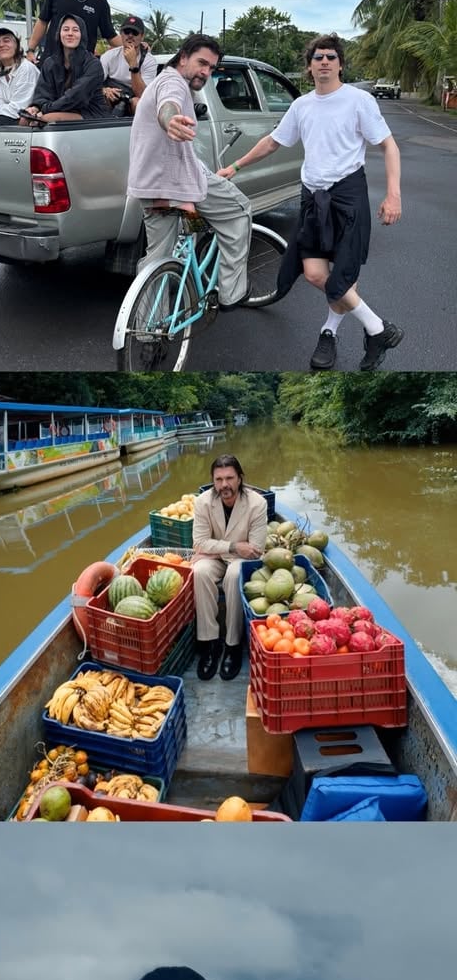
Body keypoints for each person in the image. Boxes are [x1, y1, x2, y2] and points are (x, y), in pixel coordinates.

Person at [216, 33, 402, 371]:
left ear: (341, 64)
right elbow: (273, 142)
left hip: (348, 197)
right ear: (309, 66)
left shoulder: (358, 101)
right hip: (313, 200)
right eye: (318, 57)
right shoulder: (301, 105)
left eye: (331, 56)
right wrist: (235, 166)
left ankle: (328, 333)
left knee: (343, 278)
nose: (325, 62)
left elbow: (389, 146)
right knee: (315, 273)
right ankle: (377, 328)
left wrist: (393, 194)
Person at [127, 34, 253, 310]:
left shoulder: (161, 80)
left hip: (150, 186)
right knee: (240, 210)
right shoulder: (174, 82)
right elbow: (168, 106)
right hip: (178, 183)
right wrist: (170, 120)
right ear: (183, 57)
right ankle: (232, 293)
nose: (206, 72)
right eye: (202, 63)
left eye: (211, 68)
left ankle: (148, 328)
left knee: (158, 256)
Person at [191, 455, 268, 681]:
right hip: (219, 557)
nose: (224, 484)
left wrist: (211, 549)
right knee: (200, 572)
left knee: (234, 575)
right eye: (219, 479)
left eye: (230, 478)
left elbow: (255, 550)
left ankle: (232, 645)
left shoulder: (257, 504)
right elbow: (198, 543)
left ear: (240, 478)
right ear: (213, 481)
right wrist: (234, 546)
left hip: (239, 562)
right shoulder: (203, 502)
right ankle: (209, 643)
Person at [23, 15, 109, 123]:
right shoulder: (50, 63)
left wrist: (45, 109)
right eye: (66, 29)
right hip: (57, 109)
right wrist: (35, 108)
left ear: (82, 34)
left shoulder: (93, 64)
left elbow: (76, 97)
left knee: (45, 120)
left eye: (75, 30)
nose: (70, 33)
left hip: (91, 113)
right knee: (25, 119)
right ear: (59, 33)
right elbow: (42, 94)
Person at [100, 15, 156, 114]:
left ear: (142, 36)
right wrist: (104, 90)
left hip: (133, 100)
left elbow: (143, 95)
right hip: (112, 97)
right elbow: (94, 82)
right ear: (121, 34)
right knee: (101, 96)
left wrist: (133, 65)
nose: (130, 36)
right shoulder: (108, 56)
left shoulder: (149, 61)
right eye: (126, 32)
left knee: (138, 103)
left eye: (135, 33)